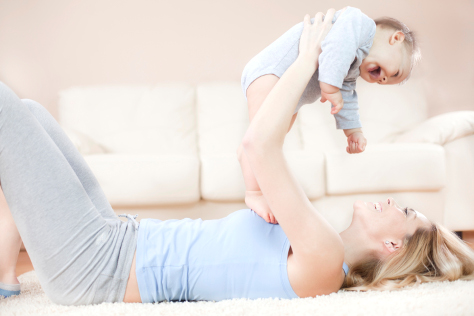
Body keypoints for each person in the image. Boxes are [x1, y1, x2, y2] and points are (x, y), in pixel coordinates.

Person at [0, 9, 473, 306]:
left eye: (406, 214)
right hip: (114, 235)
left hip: (97, 269)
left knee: (4, 108)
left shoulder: (325, 260)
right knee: (29, 113)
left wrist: (308, 59)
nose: (394, 201)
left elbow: (256, 145)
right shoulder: (319, 241)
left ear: (394, 248)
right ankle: (5, 275)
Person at [240, 7, 421, 224]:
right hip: (271, 74)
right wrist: (330, 88)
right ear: (396, 38)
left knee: (267, 141)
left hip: (288, 95)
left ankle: (248, 165)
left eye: (388, 81)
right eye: (395, 73)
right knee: (262, 140)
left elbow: (347, 96)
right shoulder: (358, 24)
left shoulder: (352, 65)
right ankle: (254, 193)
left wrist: (353, 131)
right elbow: (336, 49)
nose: (383, 81)